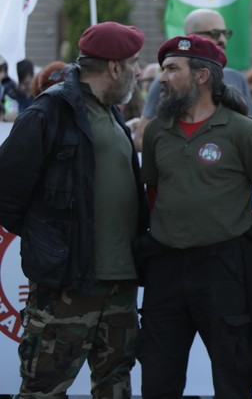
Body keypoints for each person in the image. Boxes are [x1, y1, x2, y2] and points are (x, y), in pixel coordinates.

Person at [139, 35, 252, 398]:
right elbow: (155, 194)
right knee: (157, 377)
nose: (161, 78)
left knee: (234, 376)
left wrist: (241, 236)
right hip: (165, 269)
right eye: (162, 69)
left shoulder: (243, 130)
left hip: (222, 270)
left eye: (171, 69)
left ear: (202, 77)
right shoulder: (157, 133)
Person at [0, 22, 147, 397]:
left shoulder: (112, 113)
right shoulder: (49, 112)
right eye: (133, 63)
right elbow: (7, 195)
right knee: (44, 387)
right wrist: (53, 242)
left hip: (119, 281)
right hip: (67, 286)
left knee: (115, 384)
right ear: (114, 67)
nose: (138, 70)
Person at [133, 8, 252, 150]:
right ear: (191, 36)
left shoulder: (237, 78)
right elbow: (141, 139)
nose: (222, 40)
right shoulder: (167, 81)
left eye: (225, 33)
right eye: (214, 33)